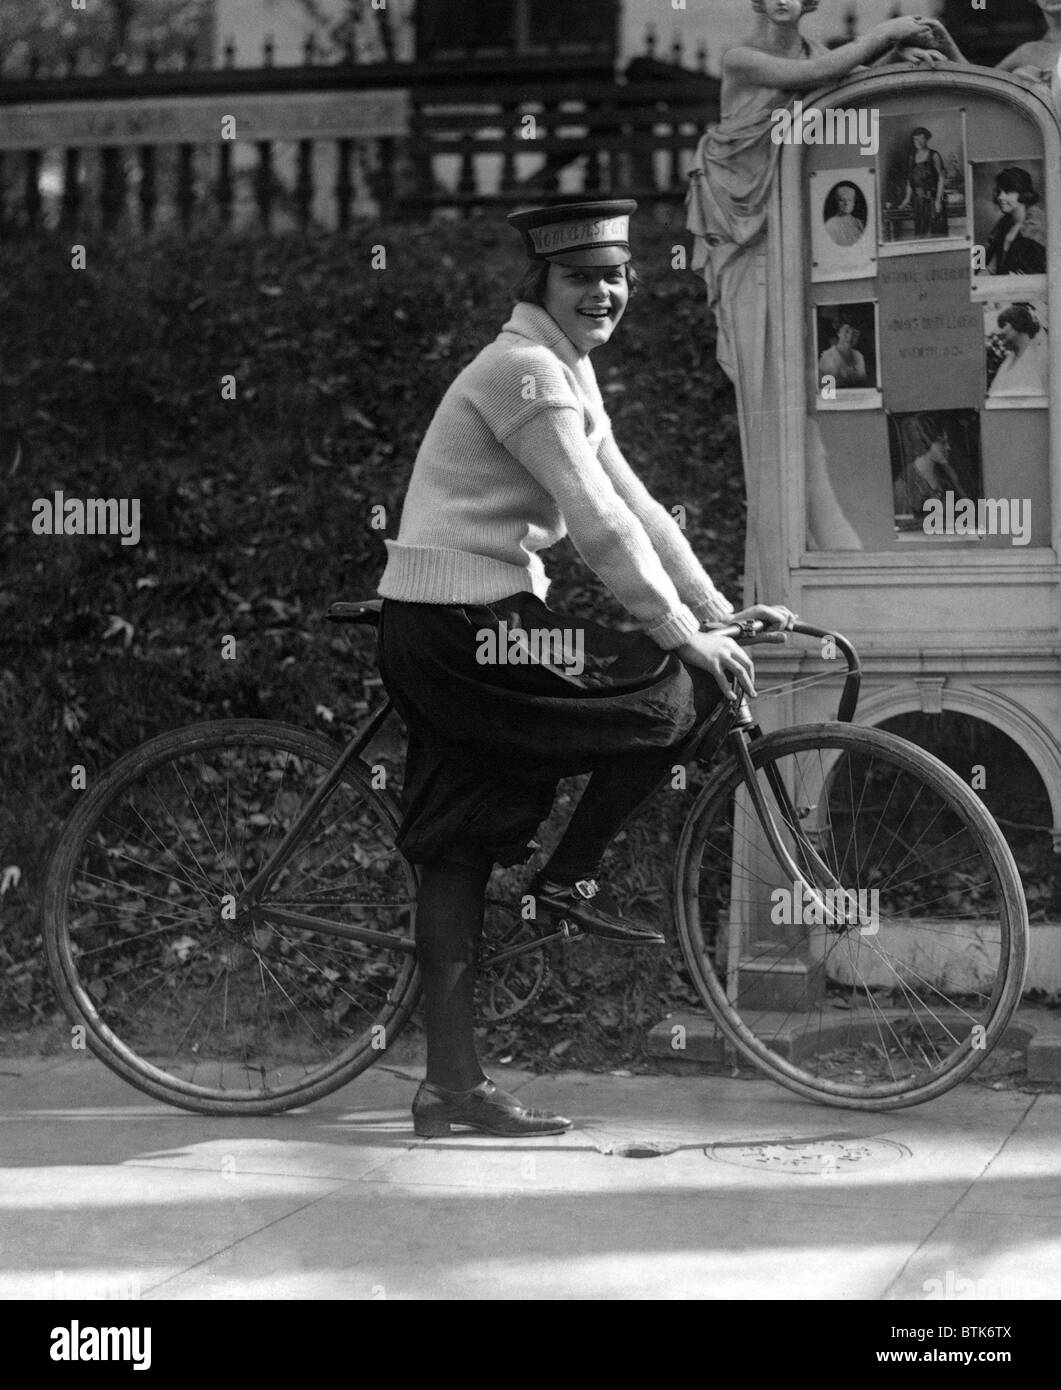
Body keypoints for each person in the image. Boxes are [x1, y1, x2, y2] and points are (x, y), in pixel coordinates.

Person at [376, 199, 797, 1138]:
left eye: (615, 277)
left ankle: (450, 1087)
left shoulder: (566, 368)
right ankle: (567, 879)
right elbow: (593, 520)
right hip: (461, 627)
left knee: (457, 845)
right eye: (581, 278)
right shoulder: (525, 372)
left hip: (466, 619)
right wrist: (683, 635)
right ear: (540, 285)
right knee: (674, 691)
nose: (603, 292)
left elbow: (636, 504)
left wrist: (712, 610)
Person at [685, 2, 943, 588]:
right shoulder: (742, 59)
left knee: (805, 397)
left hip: (792, 235)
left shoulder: (818, 55)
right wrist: (887, 33)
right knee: (770, 392)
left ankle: (827, 546)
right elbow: (808, 82)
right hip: (746, 241)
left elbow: (843, 79)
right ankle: (777, 566)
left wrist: (900, 56)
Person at [893, 415, 967, 521]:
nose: (948, 447)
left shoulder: (946, 476)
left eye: (948, 442)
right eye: (942, 442)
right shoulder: (904, 485)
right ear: (923, 442)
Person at [983, 167, 1047, 278]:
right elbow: (990, 269)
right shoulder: (1004, 226)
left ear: (1023, 193)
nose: (1000, 197)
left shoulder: (1036, 231)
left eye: (1007, 191)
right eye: (999, 191)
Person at [894, 128, 948, 239]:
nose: (917, 142)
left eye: (921, 139)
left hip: (933, 199)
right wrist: (906, 200)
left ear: (927, 139)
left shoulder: (934, 155)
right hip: (918, 202)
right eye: (915, 139)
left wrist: (939, 200)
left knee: (935, 232)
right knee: (921, 233)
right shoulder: (912, 158)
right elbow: (910, 181)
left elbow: (941, 179)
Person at [987, 302, 1050, 398]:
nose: (1000, 332)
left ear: (1016, 322)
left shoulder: (1041, 355)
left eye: (1003, 325)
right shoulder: (1008, 360)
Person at [817, 312, 868, 388]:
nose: (850, 337)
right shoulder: (827, 357)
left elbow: (863, 385)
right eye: (846, 331)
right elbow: (827, 393)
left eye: (855, 333)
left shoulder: (858, 356)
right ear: (839, 332)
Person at [823, 182, 864, 247]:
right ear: (836, 202)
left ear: (853, 203)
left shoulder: (858, 222)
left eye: (849, 200)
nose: (846, 204)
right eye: (842, 200)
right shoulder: (830, 224)